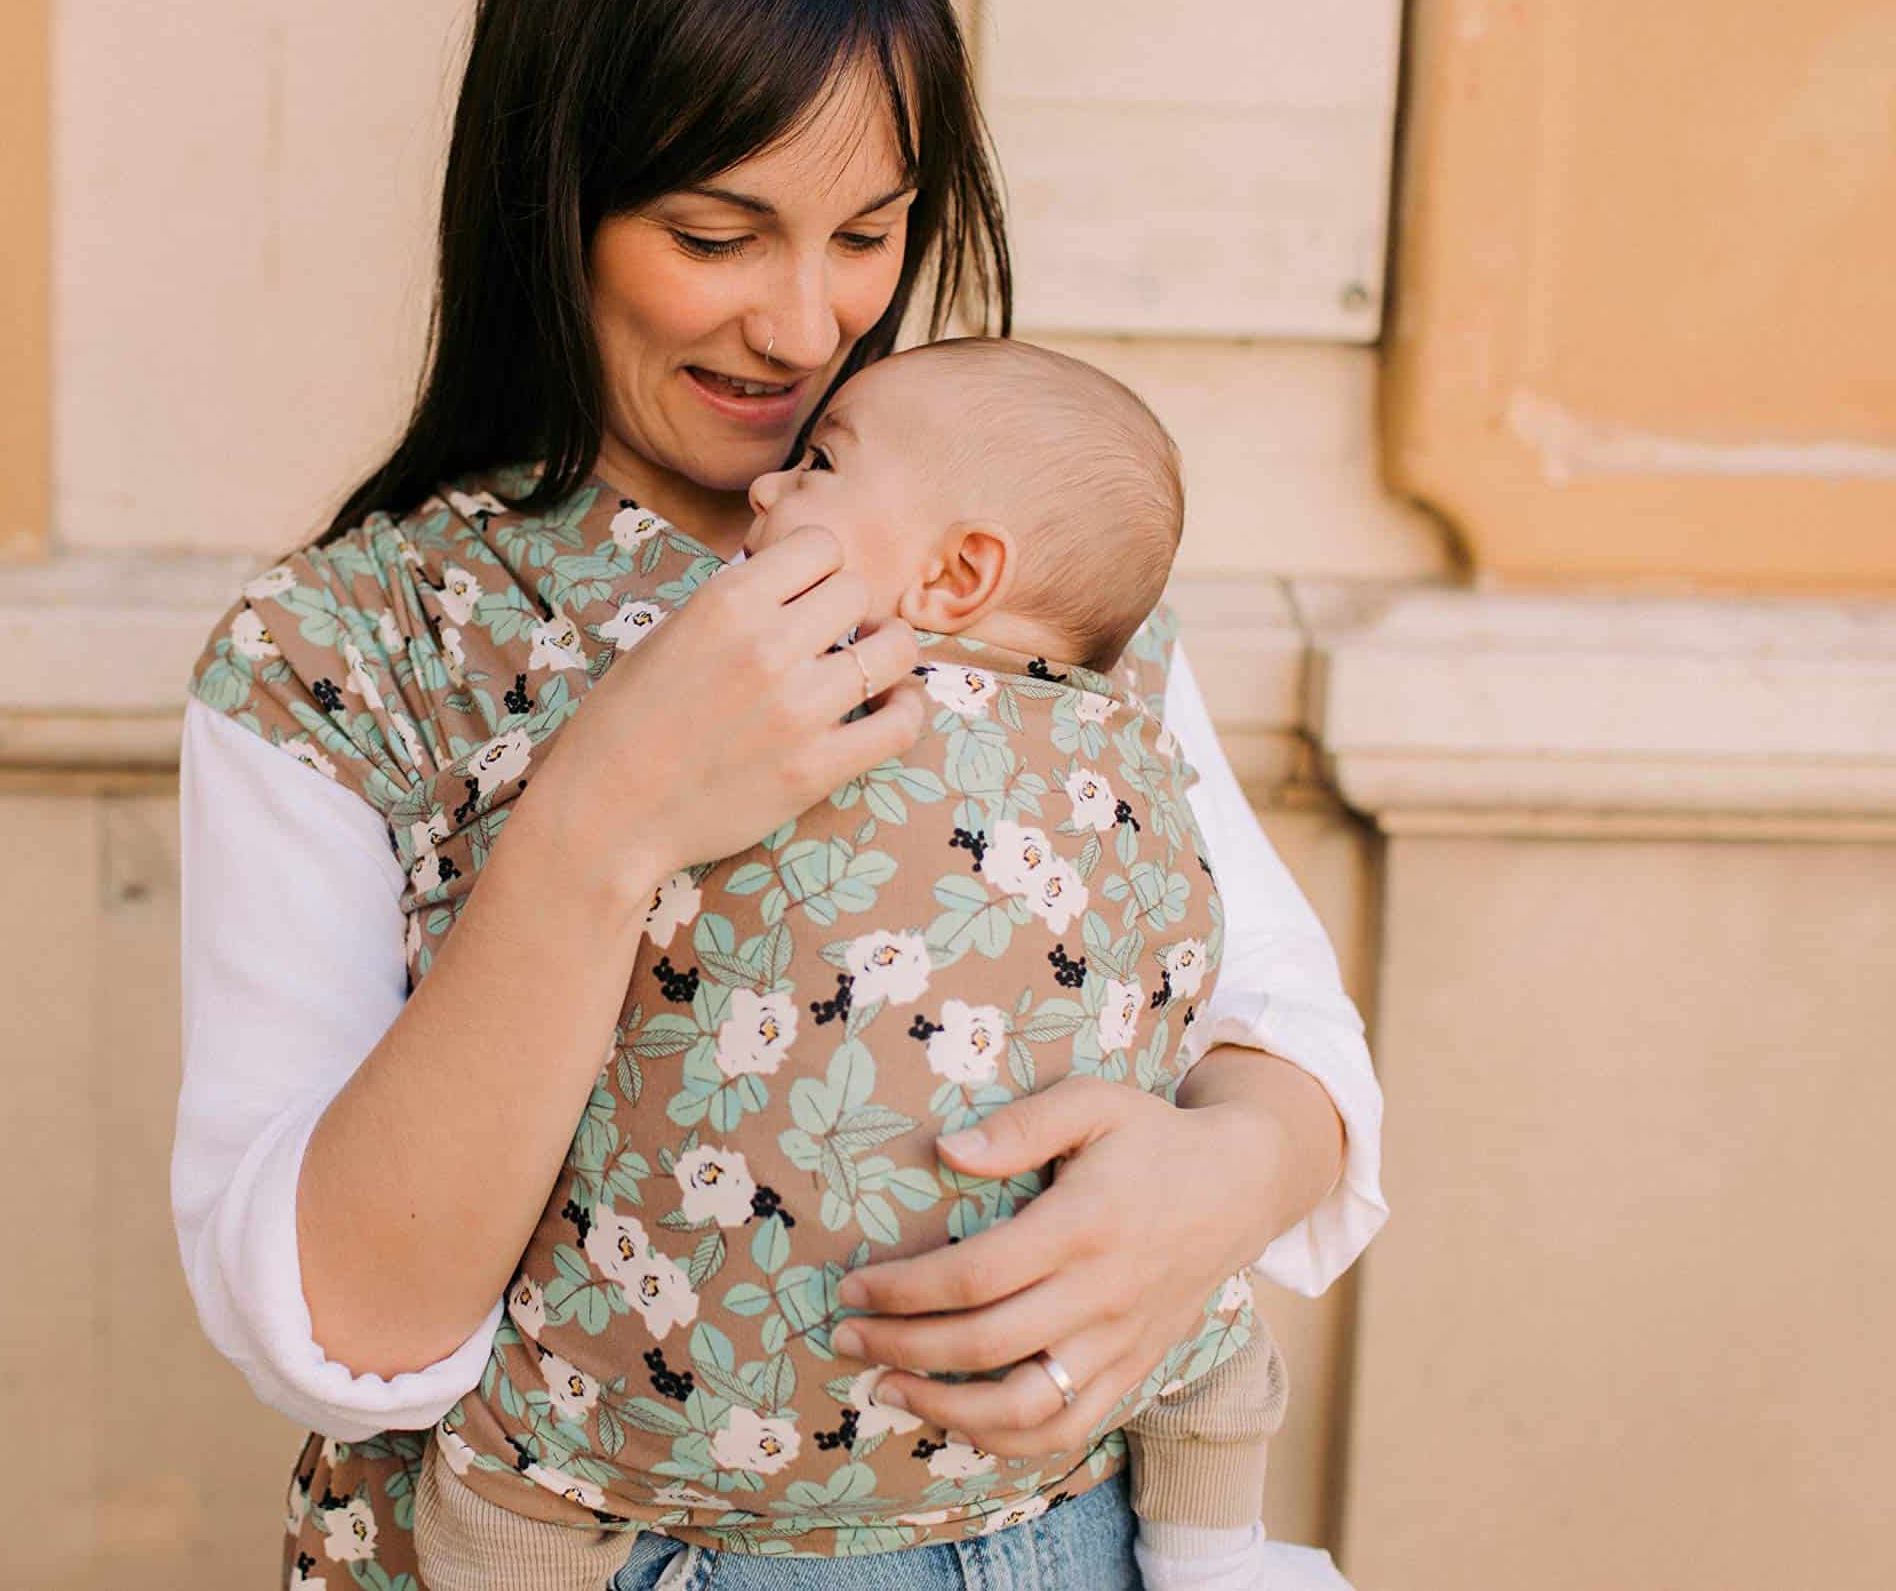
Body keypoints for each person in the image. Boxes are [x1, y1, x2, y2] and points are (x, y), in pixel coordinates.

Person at [173, 0, 1384, 1587]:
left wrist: (1218, 1181)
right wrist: (603, 816)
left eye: (869, 233)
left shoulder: (1004, 569)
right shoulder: (350, 652)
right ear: (555, 199)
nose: (808, 330)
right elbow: (340, 1325)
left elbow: (1281, 1019)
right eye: (717, 233)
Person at [397, 336, 1292, 1591]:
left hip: (812, 1404)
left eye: (821, 464)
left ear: (957, 570)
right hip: (928, 1434)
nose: (771, 485)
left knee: (511, 1477)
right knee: (1215, 1369)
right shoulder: (1127, 750)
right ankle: (1213, 1551)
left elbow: (1257, 995)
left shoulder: (1121, 725)